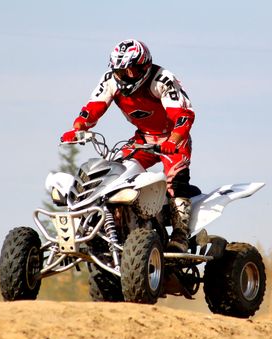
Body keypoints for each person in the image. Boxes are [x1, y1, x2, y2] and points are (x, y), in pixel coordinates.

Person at [61, 39, 195, 253]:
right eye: (123, 71)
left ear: (146, 65)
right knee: (115, 178)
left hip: (172, 139)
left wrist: (173, 141)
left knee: (175, 182)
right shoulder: (111, 80)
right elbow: (93, 107)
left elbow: (183, 116)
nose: (129, 75)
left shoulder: (162, 79)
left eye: (134, 69)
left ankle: (180, 237)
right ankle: (115, 229)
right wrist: (78, 127)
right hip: (142, 139)